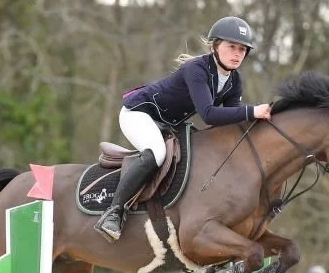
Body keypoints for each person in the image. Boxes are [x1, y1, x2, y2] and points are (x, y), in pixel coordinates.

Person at [95, 16, 273, 242]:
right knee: (157, 153)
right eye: (232, 47)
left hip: (169, 124)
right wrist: (253, 111)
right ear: (215, 46)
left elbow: (229, 121)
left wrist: (262, 125)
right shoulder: (196, 69)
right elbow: (209, 114)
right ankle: (114, 212)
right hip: (139, 114)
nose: (237, 54)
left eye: (242, 49)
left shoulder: (233, 81)